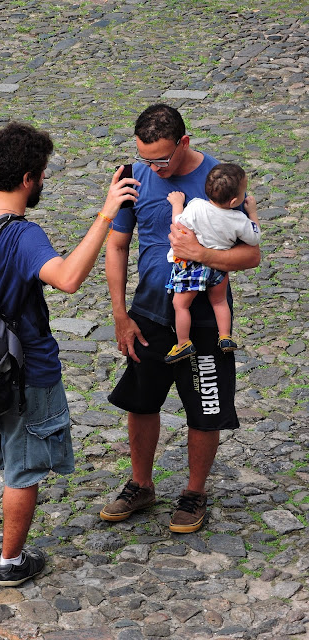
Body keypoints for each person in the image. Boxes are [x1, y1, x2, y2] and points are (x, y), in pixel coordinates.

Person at [0, 121, 139, 586]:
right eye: (42, 173)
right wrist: (105, 214)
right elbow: (66, 278)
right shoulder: (24, 237)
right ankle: (10, 562)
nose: (43, 181)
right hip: (26, 373)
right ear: (29, 178)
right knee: (22, 469)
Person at [100, 104, 260, 533]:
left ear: (184, 143)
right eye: (145, 157)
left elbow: (252, 253)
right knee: (141, 401)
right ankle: (141, 484)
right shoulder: (132, 177)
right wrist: (119, 313)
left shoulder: (222, 180)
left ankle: (194, 492)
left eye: (162, 159)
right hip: (149, 313)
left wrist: (203, 255)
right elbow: (116, 247)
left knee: (205, 408)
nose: (153, 168)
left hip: (205, 319)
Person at [165, 163, 261, 364]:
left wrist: (176, 203)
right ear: (234, 200)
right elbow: (254, 237)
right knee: (219, 301)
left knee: (180, 305)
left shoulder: (197, 206)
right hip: (218, 266)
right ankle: (225, 336)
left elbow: (178, 225)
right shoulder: (238, 219)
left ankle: (183, 342)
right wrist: (252, 212)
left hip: (193, 267)